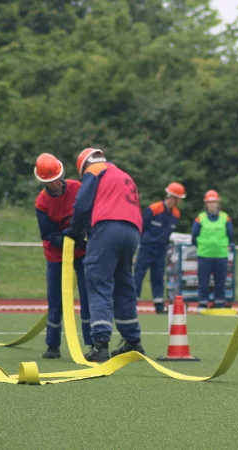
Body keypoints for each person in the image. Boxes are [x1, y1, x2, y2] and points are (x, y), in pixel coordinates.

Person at [70, 148, 144, 362]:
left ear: (84, 166)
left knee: (98, 281)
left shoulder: (94, 170)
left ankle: (100, 345)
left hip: (107, 227)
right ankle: (133, 340)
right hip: (132, 230)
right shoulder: (122, 174)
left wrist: (75, 230)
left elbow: (82, 205)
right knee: (123, 284)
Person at [33, 153, 93, 359]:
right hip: (56, 255)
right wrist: (66, 237)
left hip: (82, 252)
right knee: (55, 299)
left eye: (56, 179)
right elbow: (47, 234)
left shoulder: (77, 188)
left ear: (61, 174)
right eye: (50, 182)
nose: (55, 185)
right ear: (43, 182)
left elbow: (89, 213)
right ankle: (53, 345)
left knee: (87, 296)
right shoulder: (42, 202)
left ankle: (92, 344)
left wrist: (82, 235)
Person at [134, 182, 185, 314]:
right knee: (138, 276)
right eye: (179, 198)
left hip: (161, 250)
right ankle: (132, 304)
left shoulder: (176, 214)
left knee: (158, 277)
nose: (179, 201)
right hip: (146, 248)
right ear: (172, 197)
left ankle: (159, 305)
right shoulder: (154, 209)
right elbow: (142, 226)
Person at [191, 190, 234, 310]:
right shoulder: (200, 218)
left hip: (221, 255)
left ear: (218, 203)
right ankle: (202, 302)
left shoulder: (225, 218)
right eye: (209, 203)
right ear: (206, 204)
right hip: (204, 254)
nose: (212, 205)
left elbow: (230, 234)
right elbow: (194, 235)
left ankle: (219, 302)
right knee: (203, 281)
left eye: (214, 202)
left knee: (220, 281)